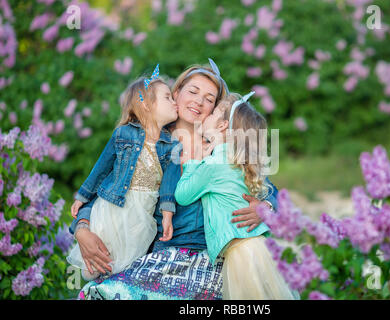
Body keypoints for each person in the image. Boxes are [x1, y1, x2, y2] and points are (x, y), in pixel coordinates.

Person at [70, 59, 279, 300]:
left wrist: (266, 206)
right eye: (193, 91)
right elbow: (105, 186)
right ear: (175, 94)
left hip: (211, 256)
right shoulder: (146, 142)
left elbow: (266, 187)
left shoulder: (222, 147)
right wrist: (81, 229)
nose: (199, 102)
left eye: (210, 99)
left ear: (215, 110)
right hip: (161, 253)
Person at [174, 92, 296, 299]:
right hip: (260, 248)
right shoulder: (241, 162)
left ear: (222, 126)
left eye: (212, 114)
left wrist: (193, 160)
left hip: (241, 253)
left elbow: (182, 195)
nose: (207, 116)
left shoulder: (212, 165)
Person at [67, 65, 178, 280]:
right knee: (103, 256)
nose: (174, 102)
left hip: (143, 213)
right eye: (168, 97)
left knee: (127, 262)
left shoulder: (172, 144)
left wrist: (167, 212)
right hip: (112, 206)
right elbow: (101, 167)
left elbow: (169, 184)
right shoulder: (123, 134)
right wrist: (82, 196)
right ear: (145, 104)